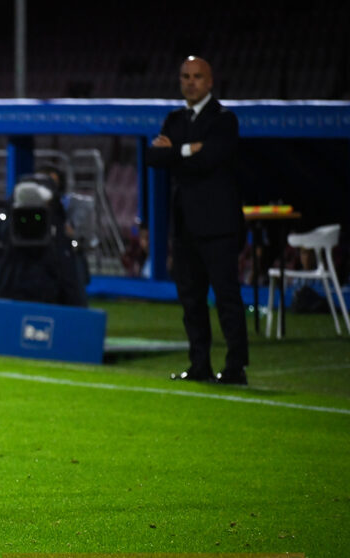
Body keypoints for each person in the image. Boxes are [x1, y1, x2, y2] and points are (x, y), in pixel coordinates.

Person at [148, 56, 248, 385]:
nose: (190, 82)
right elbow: (154, 157)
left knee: (226, 297)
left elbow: (213, 158)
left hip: (219, 225)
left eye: (197, 77)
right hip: (186, 225)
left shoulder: (223, 119)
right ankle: (199, 364)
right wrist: (189, 150)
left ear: (210, 81)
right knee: (191, 300)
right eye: (185, 76)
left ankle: (235, 367)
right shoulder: (175, 119)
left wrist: (175, 152)